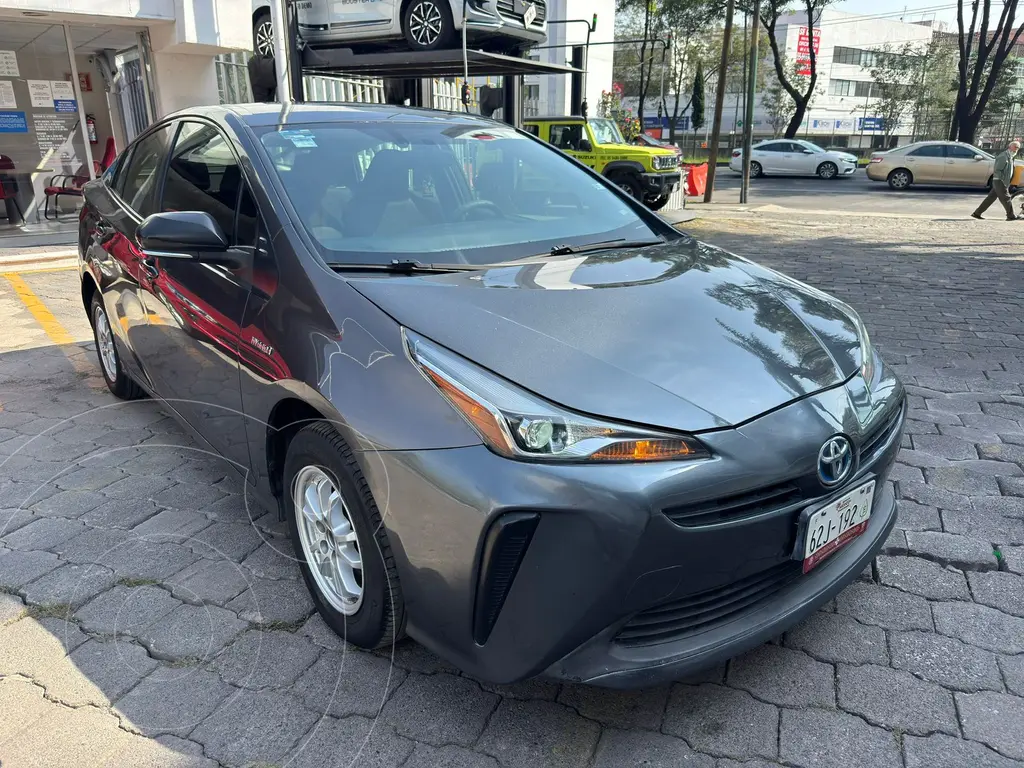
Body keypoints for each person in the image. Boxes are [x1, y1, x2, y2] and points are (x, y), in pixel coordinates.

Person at [972, 140, 1020, 221]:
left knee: (991, 198)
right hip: (1000, 180)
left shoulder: (1010, 156)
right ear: (1010, 147)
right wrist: (1003, 180)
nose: (1016, 149)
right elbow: (998, 170)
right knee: (1006, 198)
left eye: (1018, 147)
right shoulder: (1003, 156)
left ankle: (977, 213)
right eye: (1015, 147)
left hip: (1002, 181)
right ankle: (1011, 216)